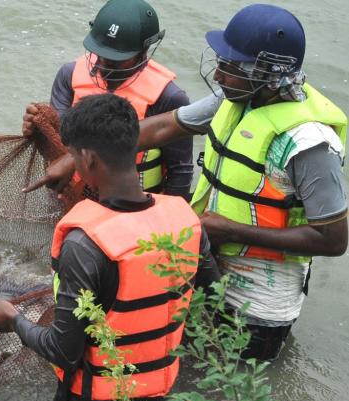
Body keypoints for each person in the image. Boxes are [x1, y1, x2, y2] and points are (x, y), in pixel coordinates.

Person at [0, 94, 220, 401]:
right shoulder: (186, 220)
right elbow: (210, 302)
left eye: (75, 157)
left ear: (88, 159)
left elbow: (64, 351)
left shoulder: (86, 243)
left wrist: (13, 320)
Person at [134, 4, 347, 360]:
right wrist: (82, 150)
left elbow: (334, 239)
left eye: (230, 68)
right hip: (210, 269)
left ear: (266, 73)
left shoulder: (308, 144)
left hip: (259, 304)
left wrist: (233, 231)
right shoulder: (236, 98)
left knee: (235, 389)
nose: (218, 75)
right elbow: (162, 126)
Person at [22, 0, 193, 198]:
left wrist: (168, 215)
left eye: (116, 59)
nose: (104, 64)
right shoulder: (69, 75)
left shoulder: (169, 97)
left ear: (144, 50)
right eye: (100, 54)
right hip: (77, 196)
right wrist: (39, 129)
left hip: (135, 203)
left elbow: (180, 170)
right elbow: (59, 143)